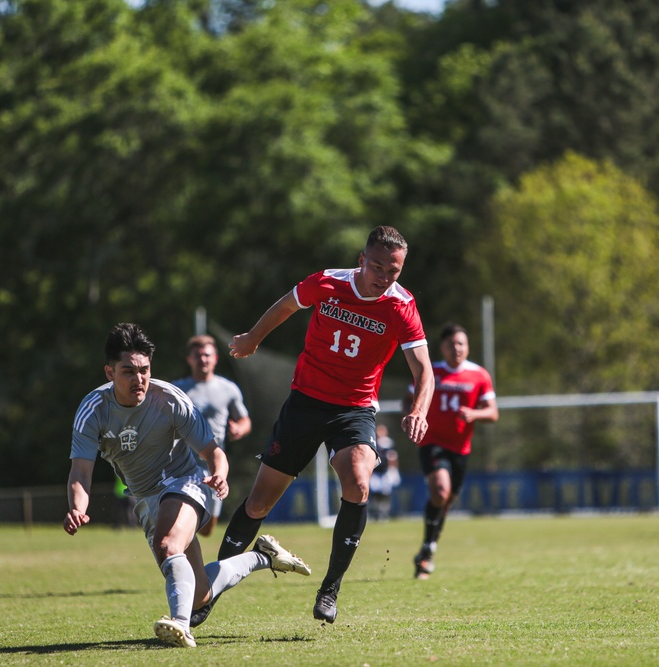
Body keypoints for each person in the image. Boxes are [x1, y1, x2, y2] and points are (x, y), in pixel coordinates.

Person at [217, 225, 435, 624]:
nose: (385, 277)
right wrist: (252, 337)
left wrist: (419, 409)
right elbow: (285, 305)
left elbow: (425, 372)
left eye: (394, 271)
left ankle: (330, 588)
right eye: (379, 267)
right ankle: (207, 590)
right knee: (260, 500)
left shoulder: (402, 306)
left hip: (354, 410)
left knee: (358, 481)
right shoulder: (328, 283)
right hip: (305, 403)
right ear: (361, 260)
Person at [64, 323, 310, 649]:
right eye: (128, 371)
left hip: (186, 481)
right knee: (200, 594)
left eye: (144, 370)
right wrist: (78, 509)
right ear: (109, 372)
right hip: (145, 496)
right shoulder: (93, 410)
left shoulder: (170, 399)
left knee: (168, 545)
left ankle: (180, 626)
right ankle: (263, 557)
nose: (139, 379)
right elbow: (81, 471)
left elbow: (213, 452)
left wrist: (218, 474)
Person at [405, 323, 498, 580]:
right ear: (442, 348)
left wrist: (475, 413)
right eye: (451, 344)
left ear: (467, 347)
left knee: (445, 503)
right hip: (432, 442)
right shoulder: (431, 371)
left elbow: (493, 412)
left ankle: (427, 548)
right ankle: (427, 551)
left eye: (461, 344)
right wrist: (414, 415)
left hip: (461, 449)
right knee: (441, 491)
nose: (457, 348)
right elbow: (409, 398)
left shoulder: (479, 375)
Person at [173, 334, 252, 537]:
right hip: (182, 464)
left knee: (207, 529)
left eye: (207, 355)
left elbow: (245, 421)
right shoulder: (177, 390)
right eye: (198, 356)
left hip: (214, 465)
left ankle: (186, 534)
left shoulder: (227, 389)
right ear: (189, 359)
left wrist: (238, 429)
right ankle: (180, 543)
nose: (203, 360)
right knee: (181, 519)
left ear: (215, 358)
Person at [368, 424, 401, 521]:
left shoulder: (388, 443)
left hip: (385, 472)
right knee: (375, 493)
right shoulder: (373, 442)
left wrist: (393, 470)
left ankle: (384, 512)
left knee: (385, 493)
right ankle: (375, 512)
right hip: (375, 471)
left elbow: (393, 457)